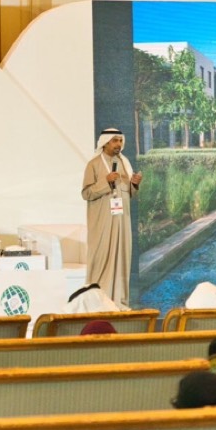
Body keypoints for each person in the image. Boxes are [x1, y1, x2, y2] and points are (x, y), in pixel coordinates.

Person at [81, 128, 141, 307]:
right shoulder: (93, 164)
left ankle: (119, 301)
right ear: (105, 142)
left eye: (120, 141)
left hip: (121, 221)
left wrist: (134, 185)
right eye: (115, 141)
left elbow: (128, 193)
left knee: (122, 258)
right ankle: (98, 301)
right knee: (101, 259)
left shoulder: (124, 163)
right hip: (103, 223)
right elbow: (86, 193)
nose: (119, 144)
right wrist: (105, 181)